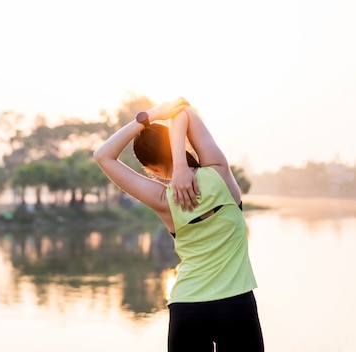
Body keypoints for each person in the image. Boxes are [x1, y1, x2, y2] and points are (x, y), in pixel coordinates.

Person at [93, 98, 264, 351]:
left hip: (188, 309)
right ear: (177, 147)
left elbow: (103, 156)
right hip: (236, 306)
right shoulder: (219, 173)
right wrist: (181, 164)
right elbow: (183, 111)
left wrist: (149, 116)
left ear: (149, 168)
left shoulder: (164, 200)